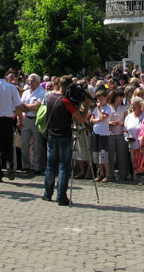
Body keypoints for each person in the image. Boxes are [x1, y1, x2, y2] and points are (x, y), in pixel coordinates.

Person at [42, 76, 87, 205]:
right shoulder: (66, 101)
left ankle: (47, 193)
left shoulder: (50, 97)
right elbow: (81, 119)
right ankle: (61, 196)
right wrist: (87, 106)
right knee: (63, 167)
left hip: (51, 135)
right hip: (64, 136)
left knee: (50, 166)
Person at [20, 73, 46, 174]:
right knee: (25, 143)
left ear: (38, 82)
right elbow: (21, 106)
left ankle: (38, 166)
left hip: (36, 120)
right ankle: (25, 165)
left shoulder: (41, 92)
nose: (30, 83)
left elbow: (37, 107)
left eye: (32, 81)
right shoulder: (26, 93)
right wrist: (30, 106)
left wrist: (26, 106)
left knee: (38, 144)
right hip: (26, 118)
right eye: (29, 81)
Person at [91, 89, 112, 182]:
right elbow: (92, 119)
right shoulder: (96, 109)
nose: (99, 101)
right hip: (96, 133)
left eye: (101, 99)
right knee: (96, 154)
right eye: (98, 99)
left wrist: (99, 111)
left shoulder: (108, 108)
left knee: (103, 154)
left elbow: (103, 118)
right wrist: (98, 119)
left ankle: (107, 174)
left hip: (104, 134)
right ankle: (101, 173)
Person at [107, 89, 129, 182]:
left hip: (120, 134)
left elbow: (127, 120)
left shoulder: (124, 108)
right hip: (110, 133)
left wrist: (122, 122)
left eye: (121, 97)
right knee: (110, 156)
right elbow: (105, 120)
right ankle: (110, 174)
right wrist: (110, 123)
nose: (121, 99)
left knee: (121, 155)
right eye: (119, 97)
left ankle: (122, 174)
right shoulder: (109, 107)